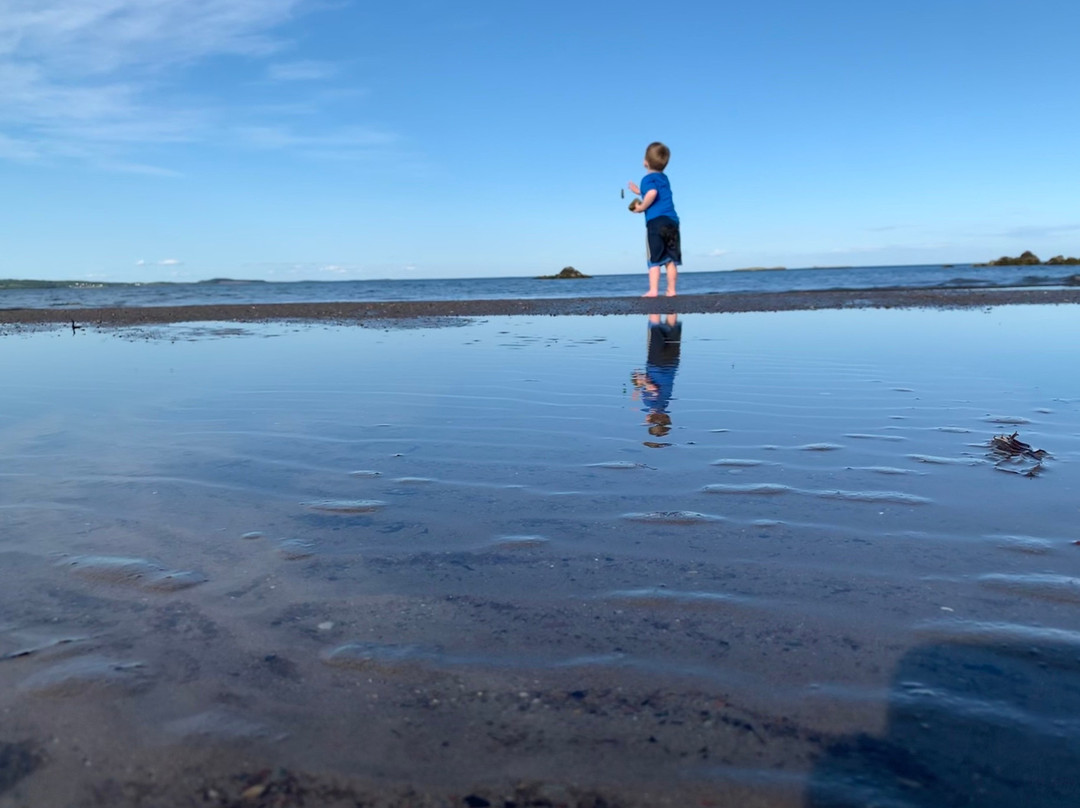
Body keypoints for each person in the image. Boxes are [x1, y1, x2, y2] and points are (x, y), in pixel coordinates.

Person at [628, 142, 681, 297]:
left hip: (656, 222)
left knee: (654, 259)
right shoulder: (664, 178)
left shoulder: (647, 178)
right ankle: (671, 290)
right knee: (670, 259)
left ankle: (653, 290)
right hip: (672, 221)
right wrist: (638, 191)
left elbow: (651, 193)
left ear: (645, 162)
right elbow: (655, 191)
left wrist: (642, 207)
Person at [630, 313, 682, 446]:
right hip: (656, 364)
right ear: (649, 419)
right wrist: (642, 380)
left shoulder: (665, 404)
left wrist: (639, 388)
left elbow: (657, 391)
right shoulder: (651, 404)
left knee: (671, 329)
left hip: (672, 363)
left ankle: (671, 298)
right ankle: (655, 303)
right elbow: (654, 389)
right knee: (655, 328)